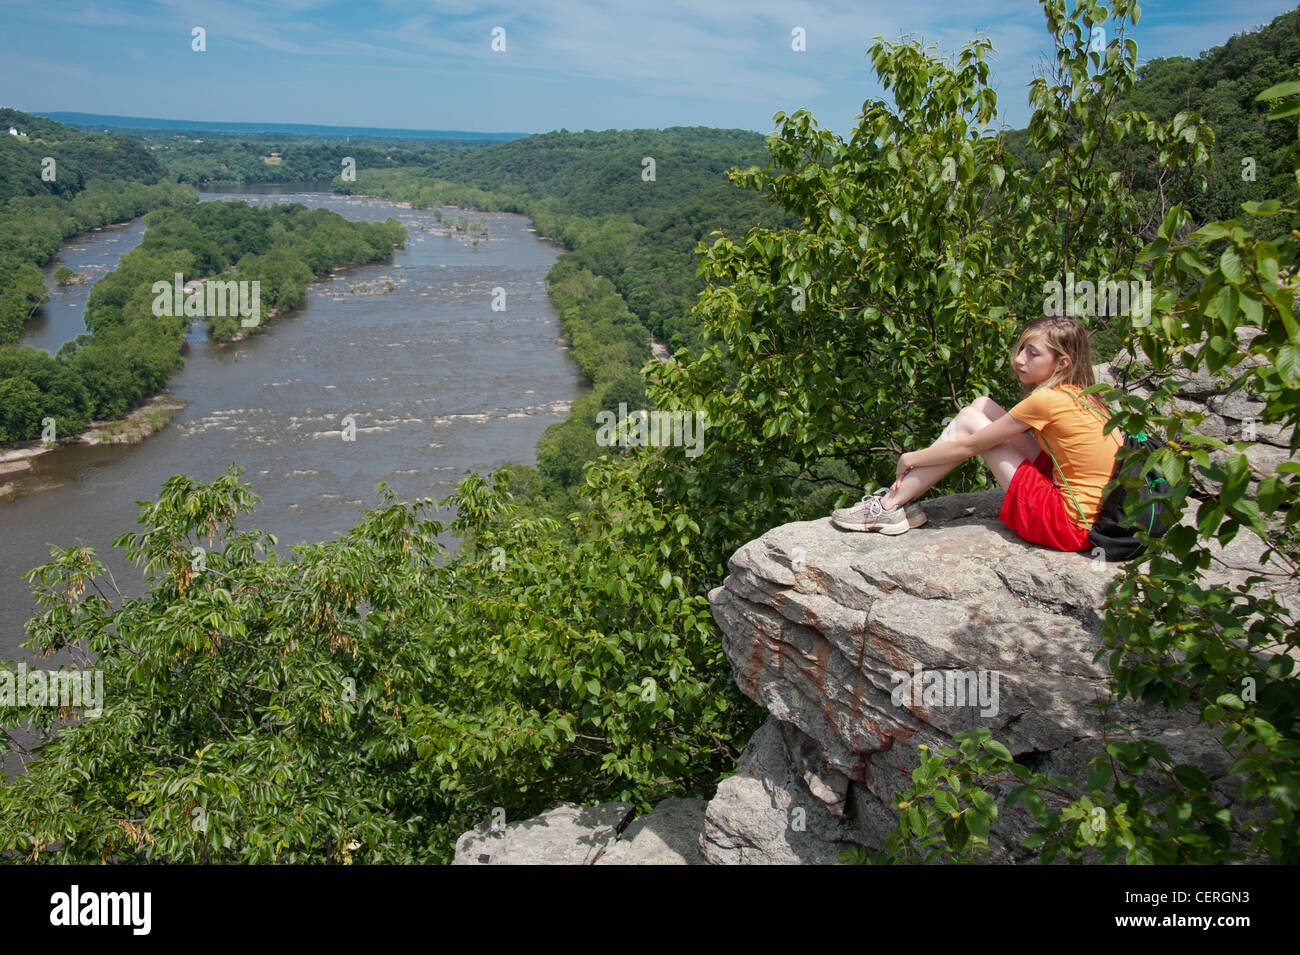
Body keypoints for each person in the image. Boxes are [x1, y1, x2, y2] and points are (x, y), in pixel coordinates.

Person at [831, 314, 1124, 551]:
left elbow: (969, 446)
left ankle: (891, 505)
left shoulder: (1047, 400)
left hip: (1067, 525)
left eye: (1032, 353)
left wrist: (911, 457)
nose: (1020, 359)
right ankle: (902, 503)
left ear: (1062, 363)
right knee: (982, 405)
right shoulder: (1086, 393)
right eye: (1021, 348)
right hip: (1089, 512)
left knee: (971, 420)